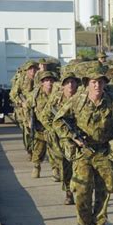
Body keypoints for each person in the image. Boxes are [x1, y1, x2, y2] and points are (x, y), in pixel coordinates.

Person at [53, 62, 113, 225]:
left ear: (105, 83)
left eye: (100, 82)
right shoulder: (77, 100)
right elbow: (58, 121)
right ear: (86, 83)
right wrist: (72, 137)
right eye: (93, 82)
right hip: (83, 152)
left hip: (103, 152)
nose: (97, 85)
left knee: (103, 192)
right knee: (82, 190)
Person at [39, 71, 80, 204]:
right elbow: (44, 116)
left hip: (79, 138)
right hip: (61, 139)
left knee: (80, 165)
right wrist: (54, 129)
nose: (70, 85)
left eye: (73, 82)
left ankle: (81, 191)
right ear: (62, 85)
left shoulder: (82, 98)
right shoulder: (56, 98)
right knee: (65, 165)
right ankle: (68, 192)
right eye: (67, 83)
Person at [28, 71, 59, 179]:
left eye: (51, 80)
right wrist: (29, 120)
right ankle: (36, 166)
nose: (49, 83)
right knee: (38, 150)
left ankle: (55, 170)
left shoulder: (57, 94)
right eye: (46, 80)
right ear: (42, 83)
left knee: (54, 150)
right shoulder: (35, 94)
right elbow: (27, 107)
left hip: (53, 128)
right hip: (39, 127)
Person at [9, 60, 39, 160]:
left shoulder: (39, 79)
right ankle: (29, 150)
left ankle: (37, 150)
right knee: (27, 131)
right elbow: (13, 94)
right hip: (23, 111)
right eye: (30, 69)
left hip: (37, 108)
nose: (33, 71)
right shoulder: (21, 80)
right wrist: (21, 103)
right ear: (26, 70)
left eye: (35, 69)